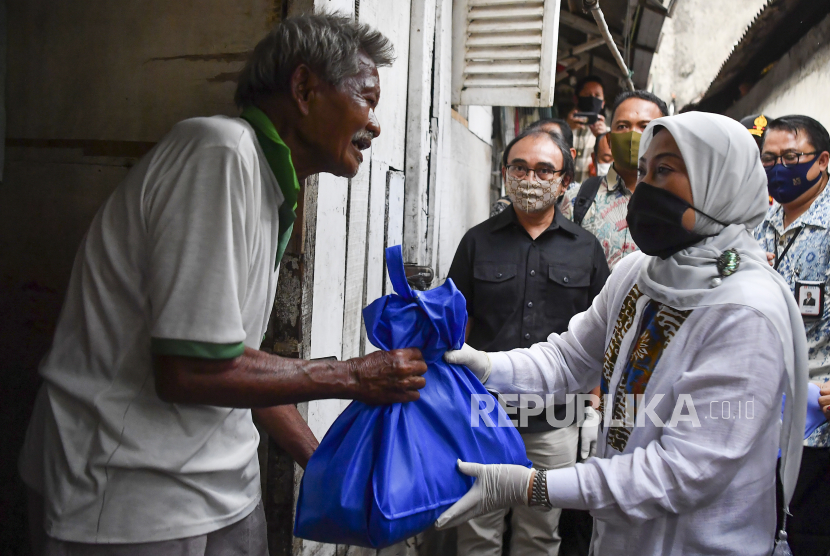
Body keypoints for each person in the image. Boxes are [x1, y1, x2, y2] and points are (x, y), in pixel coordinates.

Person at [18, 14, 428, 556]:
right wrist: (352, 375)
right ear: (304, 88)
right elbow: (193, 368)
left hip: (223, 492)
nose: (373, 124)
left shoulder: (269, 184)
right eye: (366, 99)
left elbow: (236, 356)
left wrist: (328, 466)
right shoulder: (219, 152)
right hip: (128, 502)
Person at [438, 112, 808, 556]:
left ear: (720, 182)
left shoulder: (746, 309)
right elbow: (569, 359)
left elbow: (681, 472)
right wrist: (487, 366)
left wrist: (537, 486)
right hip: (619, 536)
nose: (645, 187)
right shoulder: (638, 273)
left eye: (665, 170)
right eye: (646, 169)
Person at [447, 128, 609, 555]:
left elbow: (600, 337)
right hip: (484, 411)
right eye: (520, 167)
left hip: (556, 418)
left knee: (539, 533)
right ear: (505, 173)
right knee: (477, 528)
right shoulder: (476, 241)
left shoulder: (586, 249)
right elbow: (455, 325)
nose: (531, 179)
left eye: (543, 170)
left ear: (564, 181)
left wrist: (594, 403)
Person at [754, 114, 830, 554]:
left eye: (791, 157)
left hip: (818, 422)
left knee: (810, 537)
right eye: (769, 159)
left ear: (822, 161)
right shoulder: (756, 225)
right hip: (760, 420)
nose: (779, 168)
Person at [562, 90, 669, 269]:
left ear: (665, 138)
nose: (633, 135)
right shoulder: (576, 200)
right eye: (622, 126)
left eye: (645, 126)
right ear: (609, 141)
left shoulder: (679, 202)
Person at [566, 76, 608, 183]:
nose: (592, 99)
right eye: (587, 95)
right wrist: (565, 129)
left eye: (597, 95)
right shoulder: (563, 128)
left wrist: (603, 139)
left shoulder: (609, 135)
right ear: (576, 99)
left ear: (603, 103)